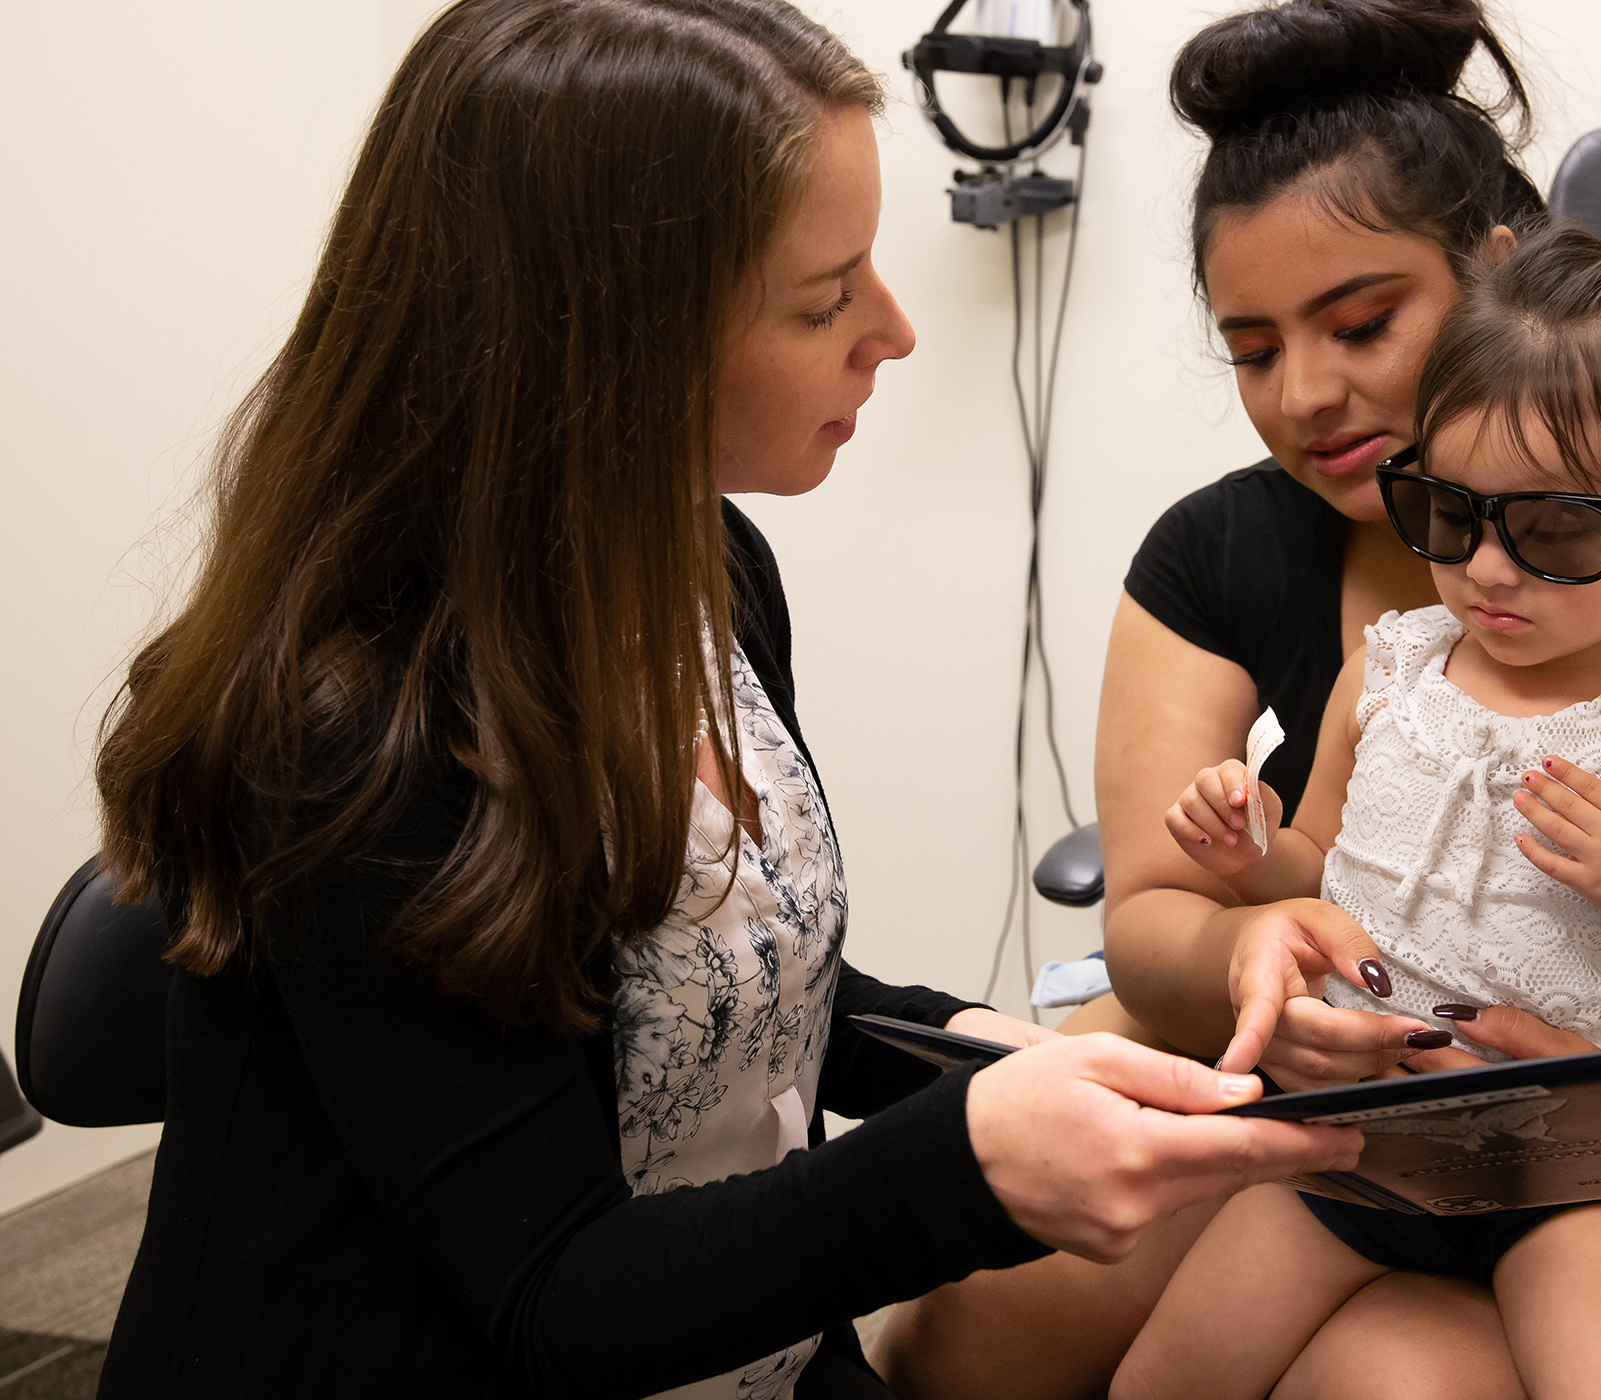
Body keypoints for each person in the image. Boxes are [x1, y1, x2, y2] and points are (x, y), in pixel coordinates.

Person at [86, 3, 1361, 1397]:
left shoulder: (711, 574)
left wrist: (986, 1053)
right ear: (607, 347)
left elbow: (733, 993)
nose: (893, 332)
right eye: (822, 300)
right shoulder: (356, 735)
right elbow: (554, 1293)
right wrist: (970, 1160)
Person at [872, 3, 1601, 1397]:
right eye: (1253, 351)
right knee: (969, 1326)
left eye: (1362, 321)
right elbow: (1156, 916)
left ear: (1496, 278)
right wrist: (1253, 954)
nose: (1308, 393)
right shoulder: (1230, 559)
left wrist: (1597, 1127)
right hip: (1320, 1098)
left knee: (1384, 1382)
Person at [1118, 191, 1601, 1400]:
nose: (1488, 568)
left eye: (1553, 530)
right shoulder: (1392, 666)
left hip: (1569, 1167)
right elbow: (1320, 865)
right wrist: (1250, 851)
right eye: (1449, 510)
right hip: (1348, 1140)